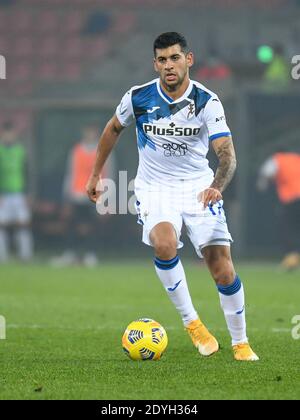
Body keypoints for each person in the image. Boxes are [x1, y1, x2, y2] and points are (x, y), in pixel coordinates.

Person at [86, 32, 259, 361]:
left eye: (175, 58)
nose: (169, 65)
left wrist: (216, 187)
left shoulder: (207, 101)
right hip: (155, 188)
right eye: (162, 60)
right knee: (164, 243)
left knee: (221, 268)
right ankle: (193, 324)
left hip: (199, 187)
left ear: (188, 60)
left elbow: (227, 155)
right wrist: (95, 173)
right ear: (155, 64)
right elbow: (112, 128)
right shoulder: (138, 97)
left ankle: (241, 342)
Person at [52, 124, 112, 267]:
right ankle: (70, 254)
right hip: (77, 195)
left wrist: (107, 197)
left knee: (92, 227)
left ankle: (90, 255)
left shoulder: (104, 150)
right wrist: (66, 196)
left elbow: (109, 174)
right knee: (72, 225)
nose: (90, 134)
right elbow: (70, 173)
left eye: (92, 132)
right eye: (87, 131)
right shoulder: (76, 151)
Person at [257, 150, 300, 270]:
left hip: (290, 199)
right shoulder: (296, 158)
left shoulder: (277, 159)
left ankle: (292, 256)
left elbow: (266, 172)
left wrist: (263, 184)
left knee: (288, 227)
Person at [0, 121, 34, 263]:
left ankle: (25, 255)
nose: (9, 136)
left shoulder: (20, 151)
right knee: (2, 225)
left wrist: (28, 194)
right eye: (6, 133)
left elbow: (27, 173)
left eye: (11, 133)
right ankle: (2, 256)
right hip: (3, 194)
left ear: (15, 134)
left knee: (23, 224)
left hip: (19, 194)